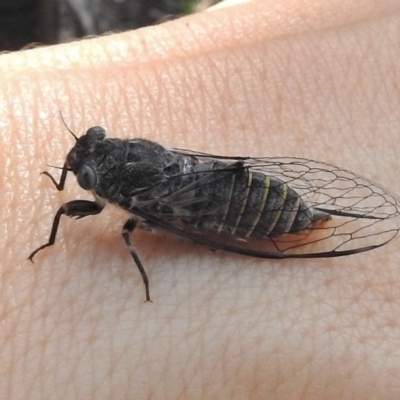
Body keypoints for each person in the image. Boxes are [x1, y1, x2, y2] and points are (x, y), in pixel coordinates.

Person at [1, 0, 399, 397]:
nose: (79, 180)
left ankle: (303, 219)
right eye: (82, 176)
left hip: (226, 212)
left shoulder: (126, 201)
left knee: (133, 234)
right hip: (210, 179)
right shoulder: (131, 152)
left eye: (84, 177)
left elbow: (159, 235)